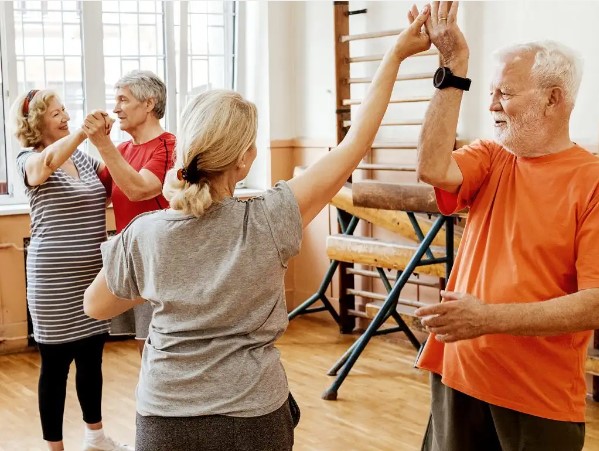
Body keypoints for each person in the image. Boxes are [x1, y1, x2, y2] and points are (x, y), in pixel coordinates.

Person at [82, 5, 432, 450]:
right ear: (246, 158)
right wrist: (395, 55)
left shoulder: (146, 233)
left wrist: (163, 275)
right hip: (253, 416)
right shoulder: (272, 216)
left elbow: (97, 306)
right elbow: (355, 143)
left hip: (166, 416)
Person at [413, 2, 599, 450]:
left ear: (554, 98)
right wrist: (453, 66)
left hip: (536, 398)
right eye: (491, 91)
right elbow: (432, 167)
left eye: (506, 93)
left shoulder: (591, 181)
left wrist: (487, 318)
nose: (492, 104)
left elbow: (595, 304)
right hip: (458, 374)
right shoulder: (492, 156)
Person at [11, 89, 132, 451]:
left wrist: (112, 139)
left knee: (92, 359)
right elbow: (43, 168)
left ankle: (95, 438)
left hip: (91, 278)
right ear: (36, 123)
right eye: (56, 114)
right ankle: (55, 448)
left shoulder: (80, 159)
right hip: (53, 283)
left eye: (65, 111)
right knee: (56, 366)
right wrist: (81, 131)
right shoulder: (27, 159)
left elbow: (112, 183)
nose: (65, 117)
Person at [82, 70, 176, 354]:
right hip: (130, 257)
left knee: (156, 347)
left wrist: (102, 143)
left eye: (123, 100)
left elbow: (141, 189)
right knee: (142, 347)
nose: (115, 108)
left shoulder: (168, 145)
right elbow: (95, 191)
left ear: (148, 104)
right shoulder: (121, 149)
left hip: (158, 259)